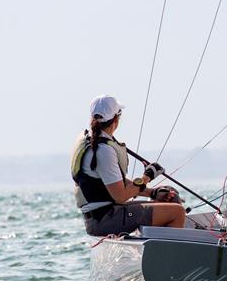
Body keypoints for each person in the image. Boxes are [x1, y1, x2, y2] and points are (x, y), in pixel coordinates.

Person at [70, 95, 186, 237]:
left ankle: (158, 245)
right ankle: (167, 256)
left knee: (169, 194)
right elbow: (120, 196)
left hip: (105, 214)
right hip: (104, 219)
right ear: (116, 120)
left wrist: (151, 193)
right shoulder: (103, 150)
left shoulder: (95, 143)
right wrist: (147, 177)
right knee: (177, 213)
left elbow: (115, 183)